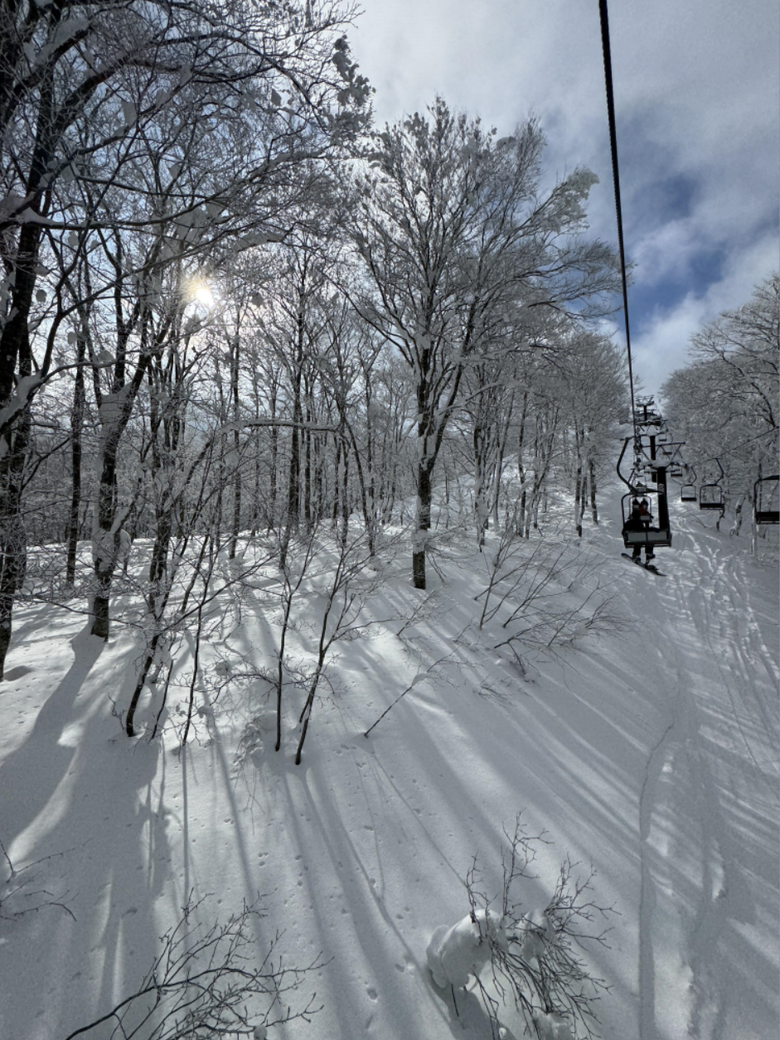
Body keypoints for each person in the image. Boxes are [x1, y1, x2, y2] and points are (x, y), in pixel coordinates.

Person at [624, 497, 655, 563]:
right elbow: (643, 530)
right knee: (647, 539)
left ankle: (636, 555)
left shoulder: (628, 523)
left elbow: (623, 531)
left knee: (637, 542)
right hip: (640, 538)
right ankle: (649, 553)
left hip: (632, 539)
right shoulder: (639, 523)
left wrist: (625, 536)